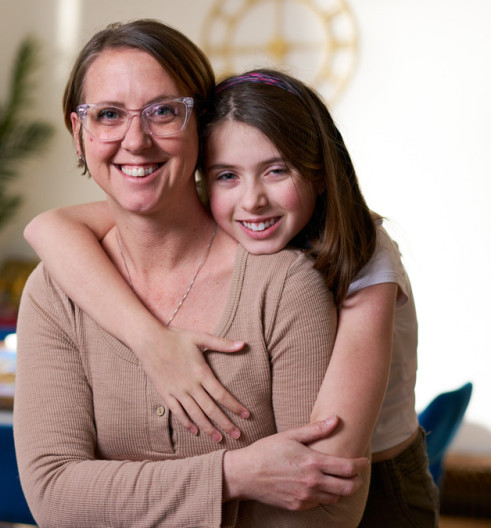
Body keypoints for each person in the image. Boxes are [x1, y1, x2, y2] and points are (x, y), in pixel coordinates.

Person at [24, 65, 439, 526]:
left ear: (320, 172)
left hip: (382, 478)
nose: (253, 200)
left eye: (277, 170)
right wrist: (152, 341)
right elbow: (48, 227)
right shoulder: (224, 213)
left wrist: (233, 477)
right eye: (227, 176)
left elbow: (324, 467)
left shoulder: (365, 252)